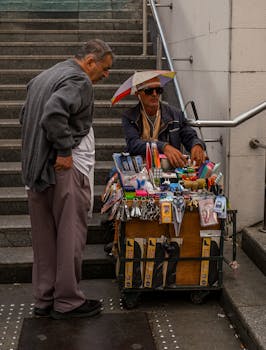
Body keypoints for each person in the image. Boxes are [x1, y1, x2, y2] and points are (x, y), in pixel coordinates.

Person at [19, 39, 114, 320]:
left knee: (44, 238)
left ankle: (44, 298)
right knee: (70, 235)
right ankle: (68, 301)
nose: (106, 75)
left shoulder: (44, 76)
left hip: (37, 170)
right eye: (105, 69)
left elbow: (25, 116)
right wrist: (62, 150)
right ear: (90, 62)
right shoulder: (79, 80)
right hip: (64, 170)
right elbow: (54, 114)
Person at [121, 77, 206, 168]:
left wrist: (196, 144)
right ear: (138, 94)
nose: (155, 94)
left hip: (169, 169)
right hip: (139, 167)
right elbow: (133, 144)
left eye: (158, 90)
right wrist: (163, 147)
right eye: (149, 90)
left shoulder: (175, 114)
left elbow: (189, 135)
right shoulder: (129, 116)